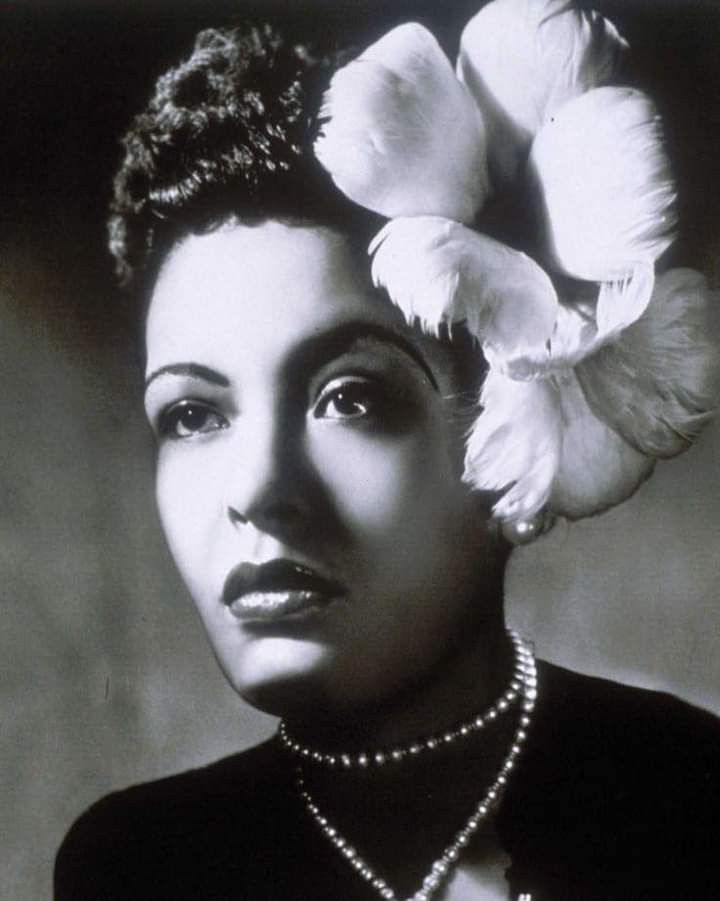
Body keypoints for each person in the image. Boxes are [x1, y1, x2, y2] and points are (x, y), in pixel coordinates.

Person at [55, 2, 720, 898]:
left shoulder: (690, 802)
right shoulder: (138, 867)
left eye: (349, 397)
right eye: (193, 415)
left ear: (517, 386)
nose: (257, 489)